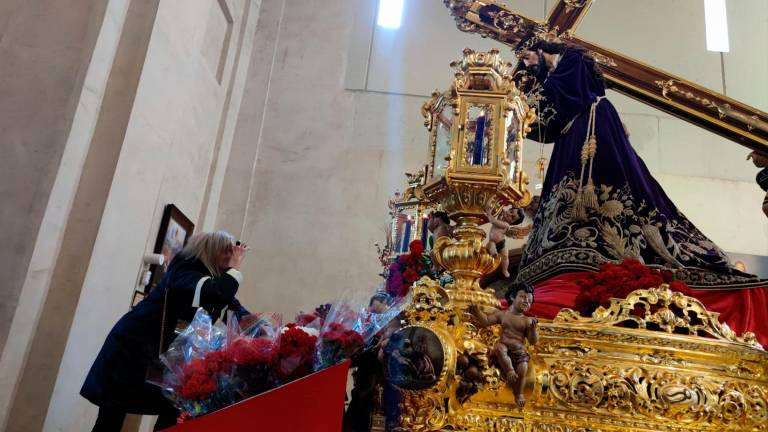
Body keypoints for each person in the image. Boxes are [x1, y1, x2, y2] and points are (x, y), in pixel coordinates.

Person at [514, 38, 763, 290]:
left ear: (540, 49)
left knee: (607, 177)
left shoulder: (570, 60)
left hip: (592, 125)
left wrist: (526, 99)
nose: (527, 64)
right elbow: (546, 120)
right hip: (574, 131)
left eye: (527, 57)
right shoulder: (553, 77)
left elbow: (566, 97)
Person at [81, 231, 250, 431]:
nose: (232, 257)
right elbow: (217, 294)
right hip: (131, 351)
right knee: (113, 413)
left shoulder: (211, 277)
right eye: (228, 252)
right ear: (212, 251)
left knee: (176, 405)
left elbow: (233, 306)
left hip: (156, 355)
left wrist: (263, 331)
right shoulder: (186, 269)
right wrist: (235, 267)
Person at [469, 283, 538, 407]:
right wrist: (477, 312)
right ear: (512, 297)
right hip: (504, 348)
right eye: (522, 297)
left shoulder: (527, 321)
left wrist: (533, 330)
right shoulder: (503, 315)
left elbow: (533, 341)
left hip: (519, 351)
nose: (526, 301)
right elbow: (485, 321)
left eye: (529, 300)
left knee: (523, 369)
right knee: (499, 348)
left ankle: (518, 393)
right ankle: (510, 370)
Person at [485, 206, 525, 278]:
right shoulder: (501, 219)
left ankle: (504, 269)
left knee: (505, 256)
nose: (510, 215)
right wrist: (500, 212)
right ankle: (493, 259)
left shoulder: (506, 225)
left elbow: (493, 221)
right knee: (492, 250)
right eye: (511, 211)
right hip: (492, 242)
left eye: (512, 217)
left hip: (501, 243)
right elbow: (498, 217)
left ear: (512, 223)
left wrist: (489, 214)